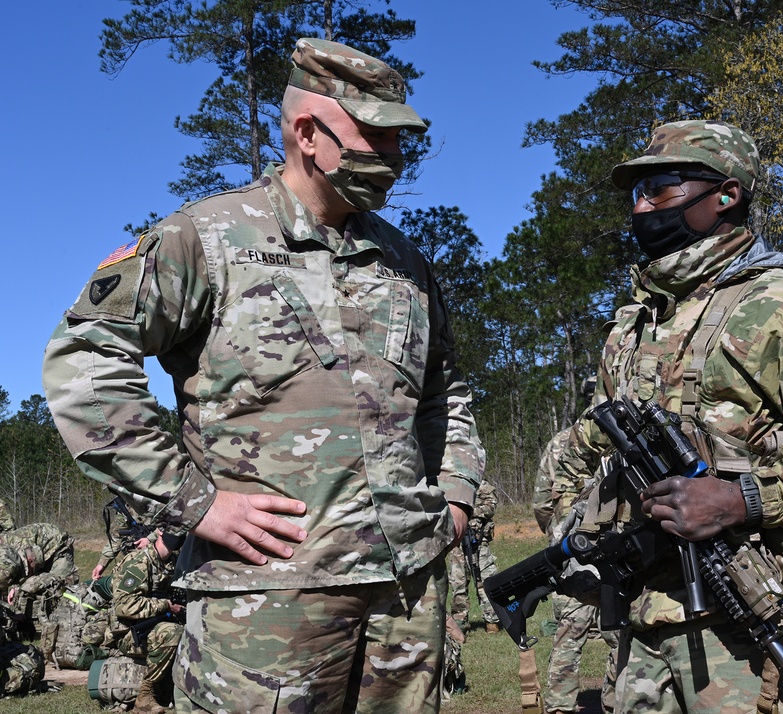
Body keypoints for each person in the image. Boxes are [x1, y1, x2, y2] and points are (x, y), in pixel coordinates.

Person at [42, 37, 485, 714]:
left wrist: (451, 496)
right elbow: (85, 363)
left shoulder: (405, 262)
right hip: (266, 604)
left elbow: (443, 390)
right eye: (377, 137)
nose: (396, 159)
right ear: (308, 132)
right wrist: (194, 501)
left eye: (401, 141)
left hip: (407, 599)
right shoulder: (208, 238)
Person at [556, 120, 783, 714]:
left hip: (748, 628)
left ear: (726, 195)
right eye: (635, 193)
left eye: (662, 189)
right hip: (639, 628)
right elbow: (595, 450)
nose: (641, 207)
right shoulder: (635, 322)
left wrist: (742, 499)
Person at [533, 379, 618, 714]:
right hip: (614, 548)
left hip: (572, 553)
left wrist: (557, 532)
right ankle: (615, 702)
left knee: (569, 634)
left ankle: (559, 707)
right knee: (622, 632)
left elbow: (541, 502)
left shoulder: (561, 444)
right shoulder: (625, 441)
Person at [107, 532, 185, 714]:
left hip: (153, 625)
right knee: (171, 632)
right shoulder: (140, 561)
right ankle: (145, 696)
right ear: (159, 532)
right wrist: (165, 605)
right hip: (129, 633)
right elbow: (124, 605)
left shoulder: (173, 562)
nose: (177, 535)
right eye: (172, 528)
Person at [448, 477, 501, 633]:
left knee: (485, 580)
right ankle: (460, 621)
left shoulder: (483, 486)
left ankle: (492, 620)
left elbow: (491, 507)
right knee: (458, 582)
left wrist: (470, 512)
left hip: (479, 542)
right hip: (457, 543)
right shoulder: (452, 485)